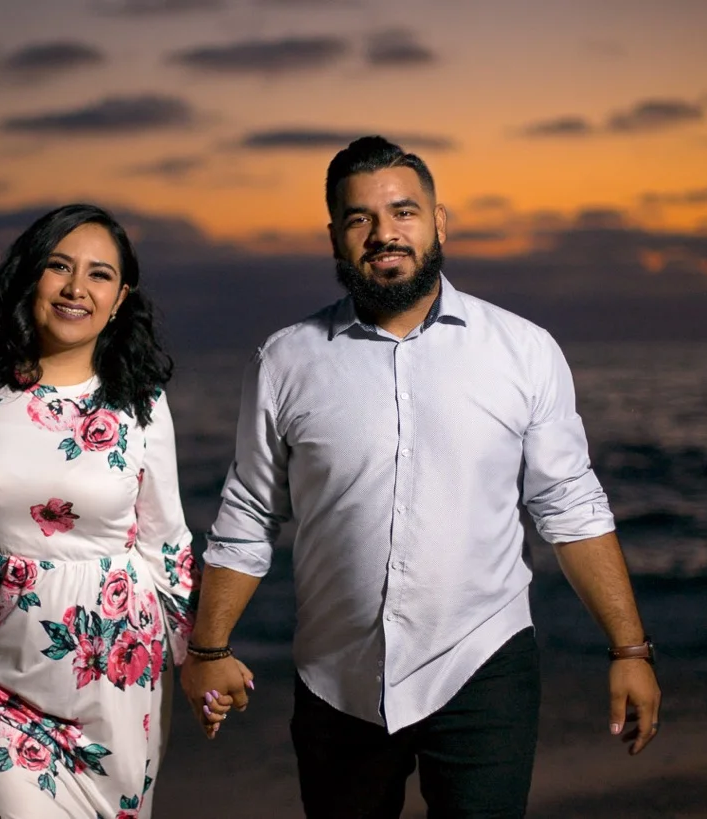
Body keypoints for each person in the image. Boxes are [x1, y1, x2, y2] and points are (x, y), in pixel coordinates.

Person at [180, 137, 662, 818]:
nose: (385, 233)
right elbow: (250, 513)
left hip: (483, 664)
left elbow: (570, 507)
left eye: (403, 212)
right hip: (336, 677)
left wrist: (630, 650)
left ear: (439, 222)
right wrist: (208, 647)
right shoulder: (285, 361)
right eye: (360, 219)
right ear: (335, 237)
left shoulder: (523, 351)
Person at [0, 204, 247, 818]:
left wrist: (201, 655)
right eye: (59, 266)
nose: (76, 288)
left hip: (115, 674)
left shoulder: (140, 404)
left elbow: (166, 544)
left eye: (99, 274)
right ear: (29, 275)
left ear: (119, 299)